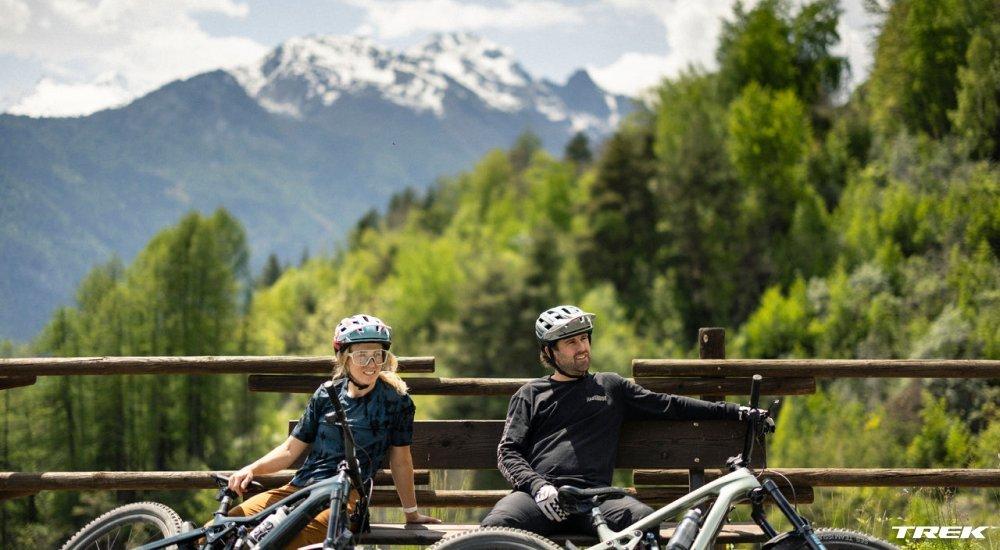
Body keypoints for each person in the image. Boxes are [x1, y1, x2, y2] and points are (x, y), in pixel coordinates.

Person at [481, 305, 761, 538]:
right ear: (549, 352)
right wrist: (538, 487)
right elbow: (508, 452)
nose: (582, 348)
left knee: (644, 523)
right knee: (493, 530)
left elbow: (669, 405)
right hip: (540, 498)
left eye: (584, 339)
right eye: (571, 342)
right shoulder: (530, 394)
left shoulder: (610, 386)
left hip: (596, 499)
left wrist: (735, 410)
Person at [226, 314, 440, 548]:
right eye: (361, 356)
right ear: (344, 358)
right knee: (225, 527)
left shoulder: (395, 401)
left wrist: (411, 513)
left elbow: (401, 460)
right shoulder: (326, 394)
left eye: (378, 355)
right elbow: (289, 450)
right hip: (300, 490)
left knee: (284, 540)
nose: (371, 364)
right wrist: (251, 469)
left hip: (345, 497)